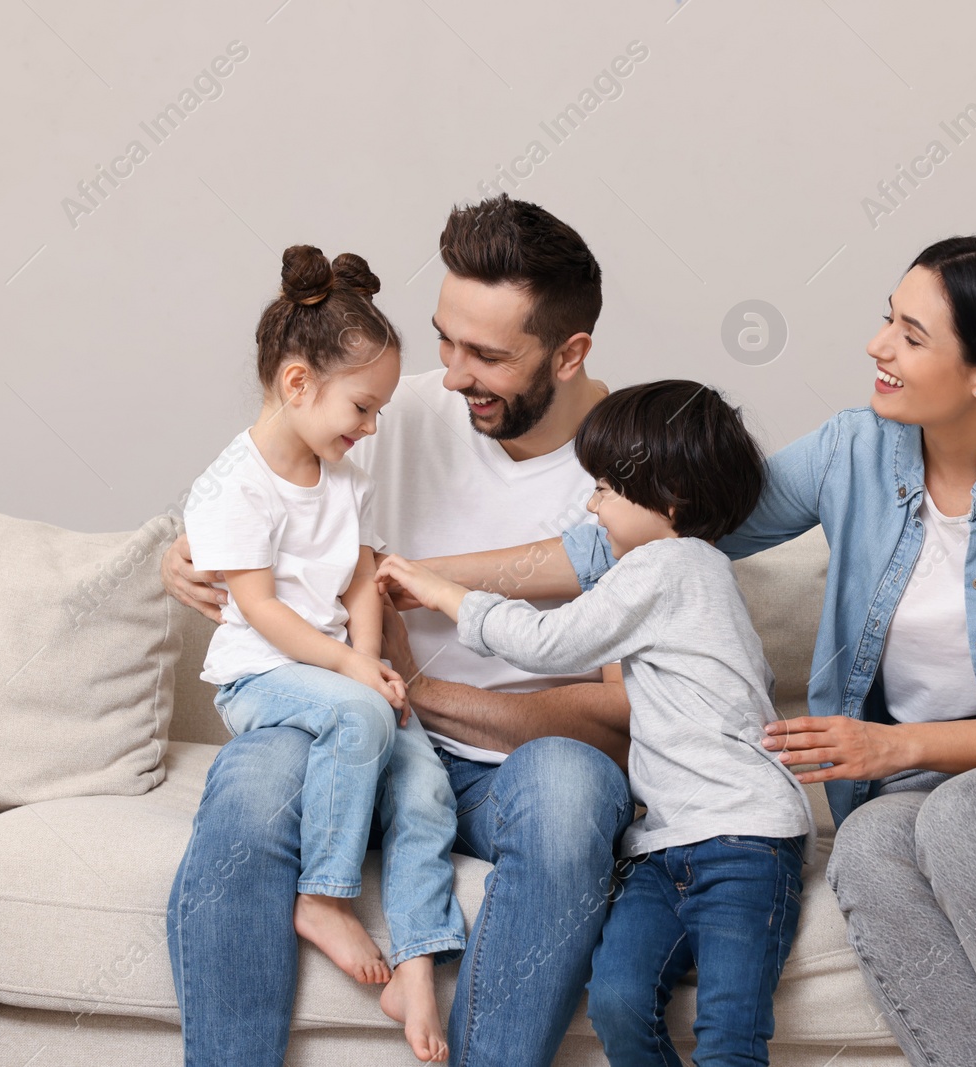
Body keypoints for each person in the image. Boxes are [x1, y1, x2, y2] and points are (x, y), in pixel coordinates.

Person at [435, 236, 976, 1067]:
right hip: (924, 789)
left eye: (911, 335)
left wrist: (897, 744)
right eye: (886, 320)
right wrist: (409, 575)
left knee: (961, 816)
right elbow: (654, 530)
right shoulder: (853, 451)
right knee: (869, 845)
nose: (877, 346)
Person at [162, 197, 634, 1066]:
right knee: (257, 775)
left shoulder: (636, 466)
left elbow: (624, 716)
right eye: (446, 340)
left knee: (573, 787)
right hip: (356, 734)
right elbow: (262, 496)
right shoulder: (386, 406)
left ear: (568, 355)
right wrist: (183, 556)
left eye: (486, 355)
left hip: (500, 770)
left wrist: (419, 696)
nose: (452, 377)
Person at [375, 380, 815, 1067]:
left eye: (608, 487)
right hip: (664, 845)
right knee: (617, 999)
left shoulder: (672, 568)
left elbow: (550, 643)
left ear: (668, 501)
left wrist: (438, 590)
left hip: (743, 839)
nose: (592, 504)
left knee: (730, 1037)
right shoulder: (667, 572)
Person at [170, 245, 464, 1063]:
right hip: (264, 675)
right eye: (363, 408)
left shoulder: (339, 473)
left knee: (428, 787)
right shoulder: (236, 485)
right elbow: (258, 609)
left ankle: (415, 958)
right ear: (298, 383)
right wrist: (349, 675)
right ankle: (322, 895)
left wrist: (373, 663)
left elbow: (362, 578)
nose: (370, 428)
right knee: (361, 714)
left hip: (339, 681)